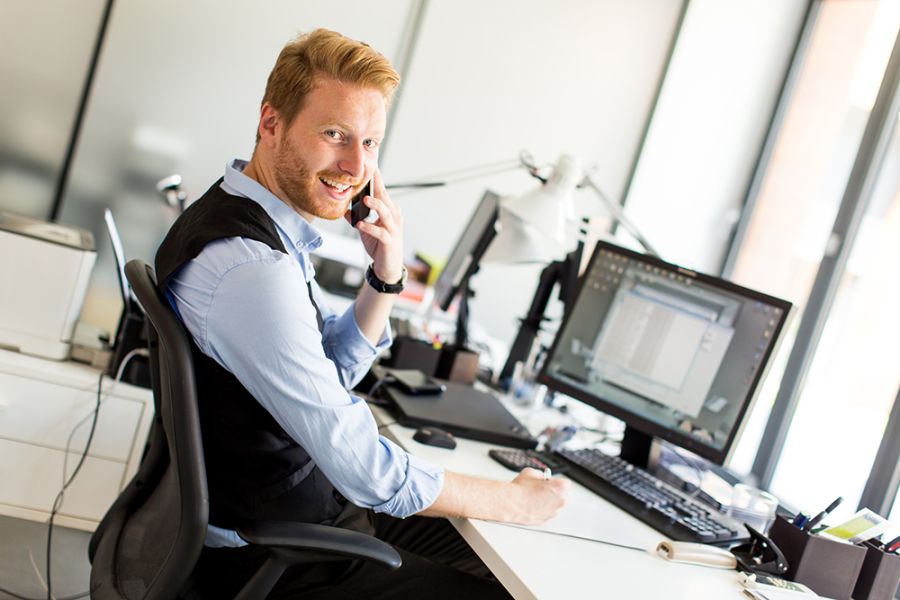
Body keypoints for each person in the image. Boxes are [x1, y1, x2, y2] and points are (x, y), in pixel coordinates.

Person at [155, 28, 569, 598]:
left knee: (482, 555)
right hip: (271, 559)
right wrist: (512, 501)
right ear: (270, 123)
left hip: (286, 522)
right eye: (335, 134)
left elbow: (330, 372)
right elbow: (366, 471)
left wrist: (385, 277)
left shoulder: (251, 221)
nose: (355, 166)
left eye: (370, 144)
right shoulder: (253, 270)